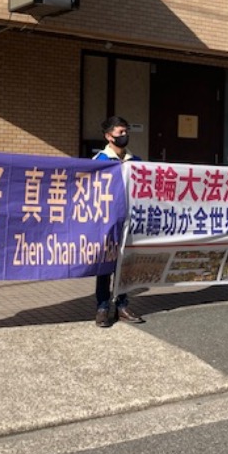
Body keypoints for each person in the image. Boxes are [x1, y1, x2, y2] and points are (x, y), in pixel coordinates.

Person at [93, 116, 145, 326]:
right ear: (108, 136)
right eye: (119, 133)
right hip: (107, 221)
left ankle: (123, 305)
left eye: (125, 132)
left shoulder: (137, 162)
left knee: (126, 266)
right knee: (105, 266)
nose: (124, 136)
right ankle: (103, 307)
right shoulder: (99, 162)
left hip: (131, 221)